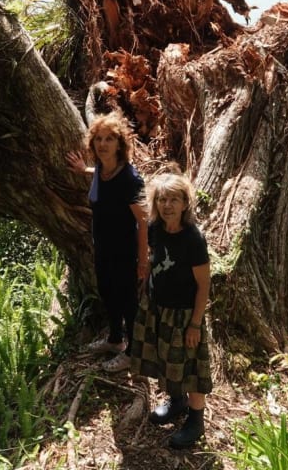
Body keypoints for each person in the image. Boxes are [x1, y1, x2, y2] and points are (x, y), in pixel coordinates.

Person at [130, 173, 212, 449]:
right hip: (159, 308)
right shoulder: (156, 228)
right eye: (162, 199)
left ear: (185, 203)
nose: (167, 205)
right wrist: (147, 285)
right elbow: (155, 258)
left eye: (174, 199)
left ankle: (195, 421)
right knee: (167, 359)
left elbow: (203, 285)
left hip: (185, 314)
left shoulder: (193, 239)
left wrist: (195, 325)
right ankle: (177, 403)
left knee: (192, 367)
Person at [67, 112, 148, 373]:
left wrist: (143, 260)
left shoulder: (129, 179)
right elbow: (100, 177)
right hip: (102, 247)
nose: (103, 144)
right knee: (107, 292)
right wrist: (83, 170)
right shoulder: (102, 169)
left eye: (110, 139)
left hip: (124, 251)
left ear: (120, 143)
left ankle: (133, 353)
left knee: (127, 301)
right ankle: (115, 339)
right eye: (99, 139)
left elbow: (143, 221)